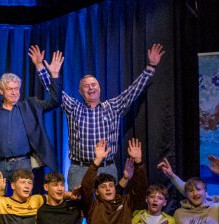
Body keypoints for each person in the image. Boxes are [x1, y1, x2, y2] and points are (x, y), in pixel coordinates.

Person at [31, 43, 165, 188]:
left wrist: (151, 67)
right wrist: (40, 67)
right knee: (79, 202)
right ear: (80, 91)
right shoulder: (74, 107)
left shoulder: (112, 107)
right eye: (86, 86)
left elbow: (133, 91)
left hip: (106, 168)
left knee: (109, 202)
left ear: (99, 88)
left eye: (94, 85)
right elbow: (54, 93)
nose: (91, 88)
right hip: (80, 169)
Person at [0, 47, 62, 183]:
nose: (14, 92)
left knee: (23, 196)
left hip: (23, 163)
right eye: (10, 89)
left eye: (16, 89)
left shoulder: (31, 105)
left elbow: (55, 101)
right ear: (1, 91)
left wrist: (54, 75)